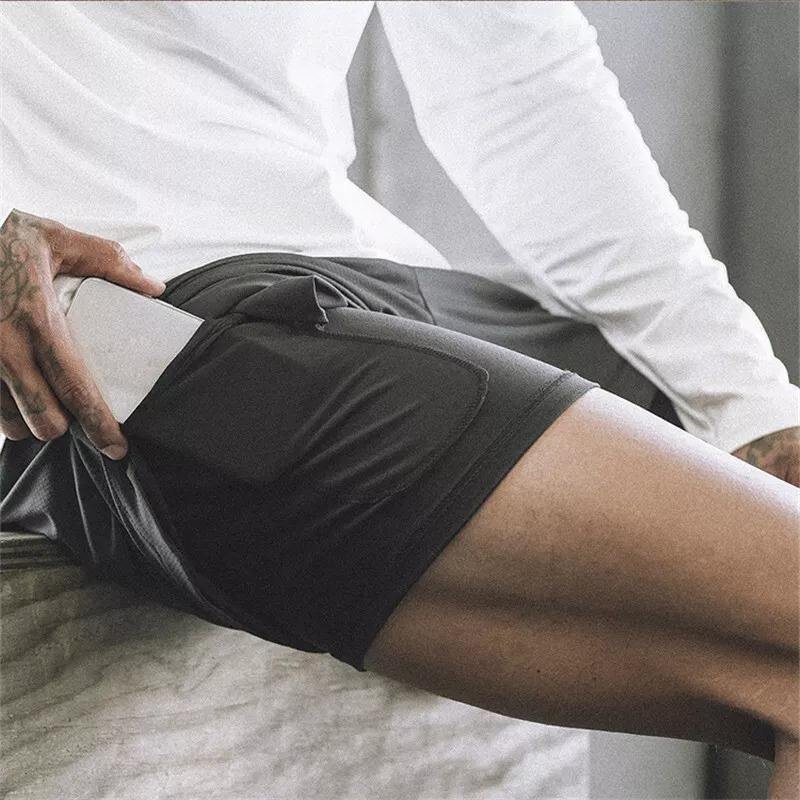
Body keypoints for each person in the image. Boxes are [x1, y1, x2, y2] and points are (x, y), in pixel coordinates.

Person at [1, 2, 797, 795]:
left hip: (381, 284)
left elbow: (520, 87)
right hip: (154, 308)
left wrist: (752, 407)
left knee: (674, 406)